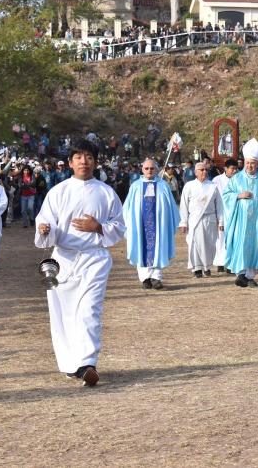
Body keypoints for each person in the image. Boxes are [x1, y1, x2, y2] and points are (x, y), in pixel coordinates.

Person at [35, 139, 126, 387]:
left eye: (88, 157)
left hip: (94, 259)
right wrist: (45, 229)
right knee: (63, 314)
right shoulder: (58, 192)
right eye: (78, 157)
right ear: (71, 162)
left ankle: (87, 363)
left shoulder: (106, 192)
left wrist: (98, 227)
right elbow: (46, 223)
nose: (83, 161)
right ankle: (70, 364)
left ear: (95, 162)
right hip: (63, 259)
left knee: (89, 310)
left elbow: (118, 227)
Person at [222, 138, 258, 288]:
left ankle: (250, 276)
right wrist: (238, 195)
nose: (250, 166)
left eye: (253, 163)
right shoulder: (236, 178)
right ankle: (241, 273)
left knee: (256, 244)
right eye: (248, 163)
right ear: (244, 163)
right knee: (241, 244)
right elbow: (226, 195)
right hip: (241, 220)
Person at [123, 159, 179, 289]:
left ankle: (156, 278)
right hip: (140, 225)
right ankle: (145, 278)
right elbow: (127, 207)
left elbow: (170, 206)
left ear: (156, 170)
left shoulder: (163, 185)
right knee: (141, 247)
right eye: (146, 168)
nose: (149, 171)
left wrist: (170, 221)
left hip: (159, 225)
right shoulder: (136, 186)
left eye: (152, 168)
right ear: (142, 170)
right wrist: (128, 223)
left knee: (158, 248)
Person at [179, 162, 224, 278]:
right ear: (196, 172)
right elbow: (184, 204)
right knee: (194, 243)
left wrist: (221, 221)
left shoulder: (213, 186)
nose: (204, 171)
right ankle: (197, 269)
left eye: (205, 169)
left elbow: (219, 205)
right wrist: (183, 222)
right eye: (201, 170)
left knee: (209, 244)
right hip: (194, 219)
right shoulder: (189, 186)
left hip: (210, 218)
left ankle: (207, 267)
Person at [212, 159, 237, 273]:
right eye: (232, 168)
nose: (234, 171)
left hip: (235, 213)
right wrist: (217, 217)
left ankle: (231, 263)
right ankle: (220, 262)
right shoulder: (217, 180)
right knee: (220, 239)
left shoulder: (239, 179)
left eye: (236, 169)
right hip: (221, 212)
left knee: (233, 239)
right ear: (225, 169)